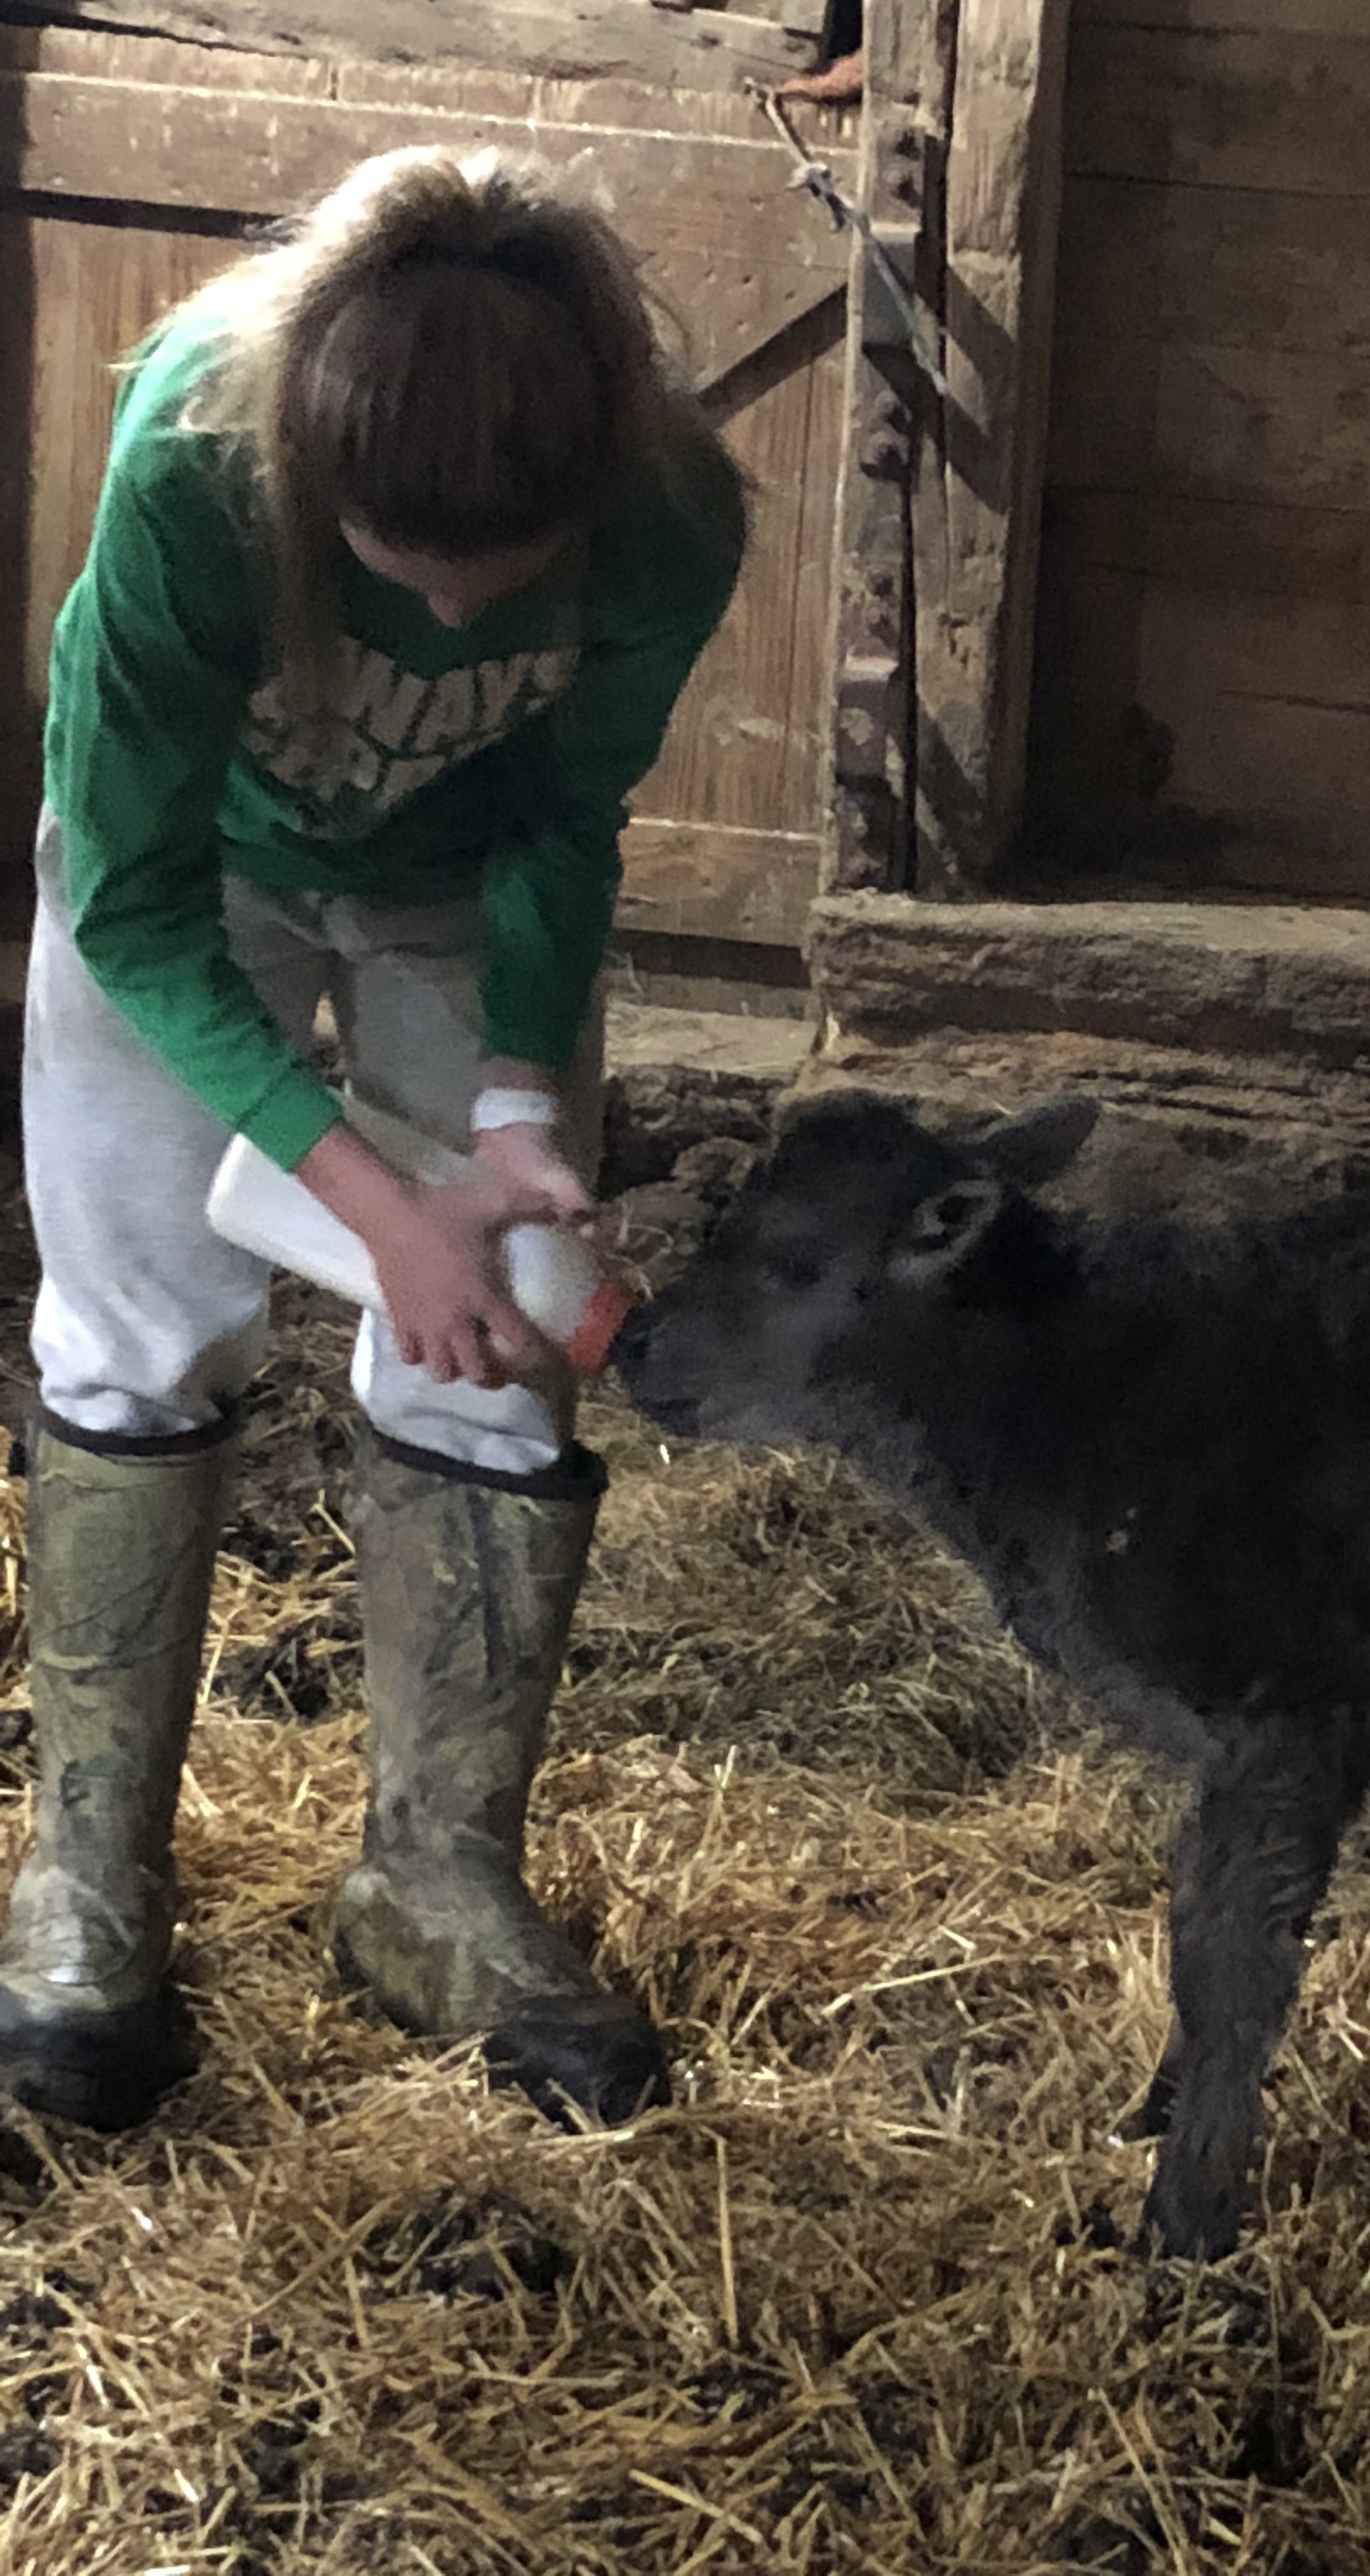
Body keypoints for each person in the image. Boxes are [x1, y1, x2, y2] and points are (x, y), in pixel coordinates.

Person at [0, 145, 746, 2134]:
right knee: (138, 1320)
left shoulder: (673, 514)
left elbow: (565, 814)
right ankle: (88, 1875)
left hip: (454, 883)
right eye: (392, 560)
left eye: (483, 581)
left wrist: (506, 1117)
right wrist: (365, 1200)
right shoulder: (193, 471)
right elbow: (134, 901)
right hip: (197, 882)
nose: (429, 604)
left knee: (501, 1350)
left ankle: (435, 1880)